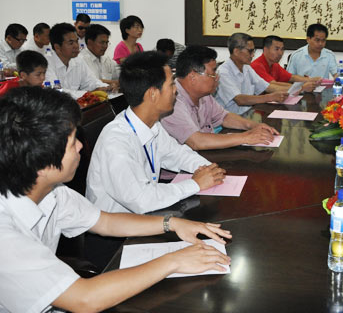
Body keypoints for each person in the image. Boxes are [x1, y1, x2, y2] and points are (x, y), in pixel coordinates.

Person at [0, 87, 231, 313]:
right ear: (40, 161)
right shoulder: (5, 234)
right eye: (72, 142)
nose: (80, 146)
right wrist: (174, 261)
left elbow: (105, 222)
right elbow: (85, 300)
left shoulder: (52, 192)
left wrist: (172, 223)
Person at [86, 51, 226, 215]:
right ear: (152, 94)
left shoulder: (152, 126)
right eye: (171, 84)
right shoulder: (116, 140)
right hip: (120, 226)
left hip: (146, 215)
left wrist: (208, 169)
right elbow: (141, 199)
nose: (176, 90)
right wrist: (195, 184)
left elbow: (177, 154)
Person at [162, 46, 280, 150]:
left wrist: (253, 125)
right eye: (213, 73)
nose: (217, 78)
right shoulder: (172, 101)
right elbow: (197, 141)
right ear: (193, 76)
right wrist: (246, 137)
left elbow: (224, 117)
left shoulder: (204, 96)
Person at [216, 33, 289, 115]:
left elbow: (267, 87)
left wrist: (294, 89)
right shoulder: (223, 72)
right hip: (229, 119)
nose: (253, 55)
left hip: (247, 114)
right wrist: (270, 97)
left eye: (254, 51)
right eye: (250, 51)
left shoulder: (247, 68)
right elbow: (240, 99)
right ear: (236, 51)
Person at [44, 23, 107, 95]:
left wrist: (105, 87)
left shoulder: (78, 60)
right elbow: (55, 91)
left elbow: (91, 81)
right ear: (57, 47)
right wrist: (88, 94)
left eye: (76, 41)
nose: (76, 46)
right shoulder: (46, 64)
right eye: (71, 43)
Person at [251, 35, 320, 93]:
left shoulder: (275, 65)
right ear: (265, 49)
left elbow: (291, 77)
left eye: (282, 49)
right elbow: (273, 85)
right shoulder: (256, 66)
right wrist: (302, 88)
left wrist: (312, 80)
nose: (280, 53)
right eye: (276, 49)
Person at [79, 24, 120, 91]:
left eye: (106, 43)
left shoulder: (107, 59)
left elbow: (120, 74)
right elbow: (92, 81)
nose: (105, 46)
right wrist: (114, 83)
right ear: (90, 42)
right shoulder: (81, 60)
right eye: (102, 42)